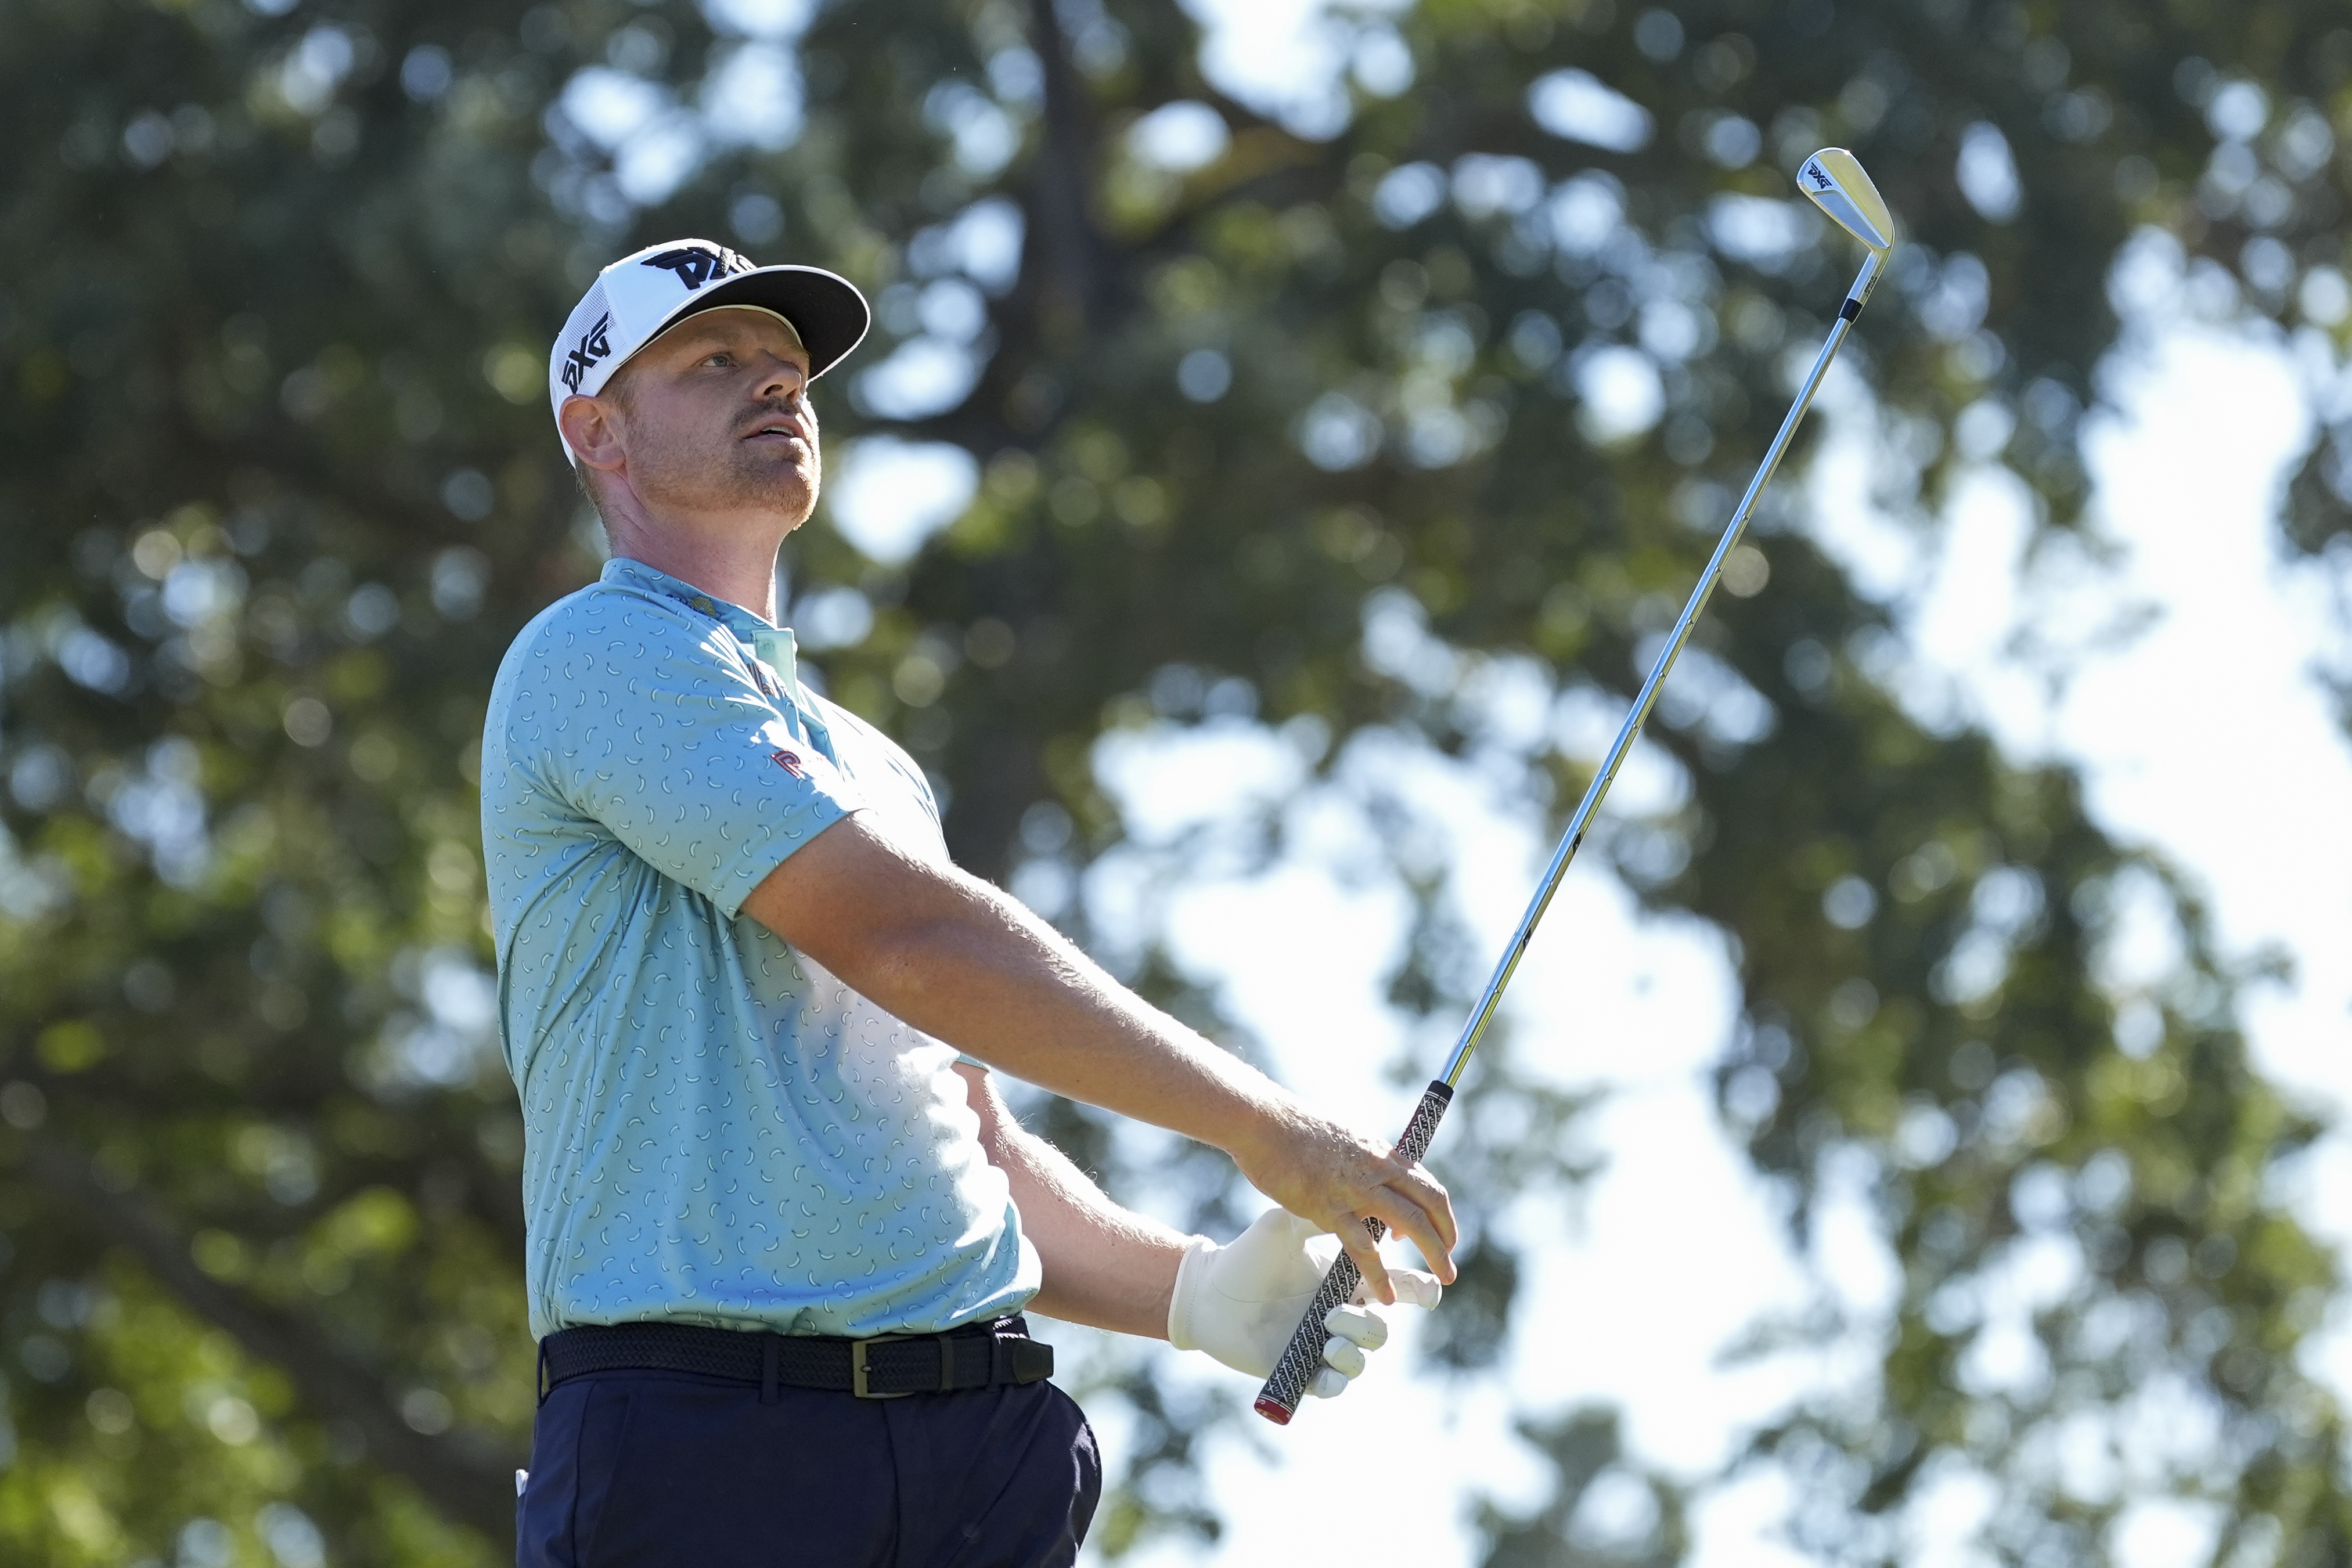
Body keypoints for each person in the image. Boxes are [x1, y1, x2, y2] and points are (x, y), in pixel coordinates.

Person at [484, 239, 1455, 1567]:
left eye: (788, 366)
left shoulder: (870, 763)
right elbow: (910, 939)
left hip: (980, 1451)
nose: (776, 384)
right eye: (715, 361)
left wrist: (1192, 1291)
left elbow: (963, 1136)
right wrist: (1261, 1125)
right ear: (598, 432)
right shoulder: (594, 654)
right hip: (707, 1444)